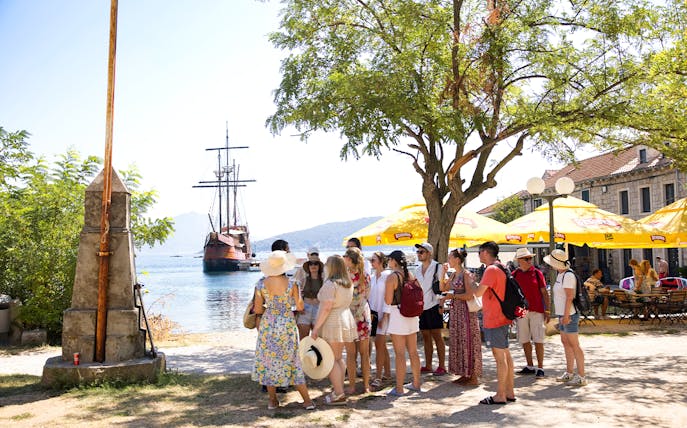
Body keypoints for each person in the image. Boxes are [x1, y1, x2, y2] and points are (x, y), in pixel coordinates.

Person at [252, 250, 315, 410]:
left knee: (269, 360)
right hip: (286, 323)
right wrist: (290, 306)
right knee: (293, 360)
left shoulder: (260, 283)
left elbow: (258, 309)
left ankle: (273, 401)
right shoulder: (293, 283)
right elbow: (300, 306)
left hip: (268, 324)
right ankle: (307, 401)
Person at [311, 255, 358, 405]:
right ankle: (339, 390)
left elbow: (326, 308)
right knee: (337, 357)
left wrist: (316, 328)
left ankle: (338, 393)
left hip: (333, 321)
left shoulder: (331, 284)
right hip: (344, 318)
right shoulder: (347, 283)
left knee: (331, 359)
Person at [473, 241, 515, 405]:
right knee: (505, 355)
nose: (478, 255)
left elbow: (478, 293)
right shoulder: (501, 267)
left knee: (500, 358)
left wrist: (471, 282)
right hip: (503, 316)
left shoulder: (490, 270)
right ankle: (509, 391)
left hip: (495, 318)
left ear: (485, 252)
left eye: (479, 251)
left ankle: (500, 395)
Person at [544, 249, 587, 387]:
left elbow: (570, 296)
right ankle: (569, 372)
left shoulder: (568, 276)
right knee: (566, 342)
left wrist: (567, 316)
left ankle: (581, 375)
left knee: (574, 344)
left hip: (569, 314)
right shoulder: (561, 274)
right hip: (563, 313)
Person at [441, 248, 482, 386]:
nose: (448, 260)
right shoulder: (453, 275)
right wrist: (442, 273)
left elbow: (469, 295)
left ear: (457, 259)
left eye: (450, 257)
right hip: (456, 311)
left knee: (468, 340)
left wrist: (453, 296)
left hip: (466, 312)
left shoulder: (466, 274)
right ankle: (465, 373)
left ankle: (473, 375)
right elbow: (443, 288)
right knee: (459, 340)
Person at [385, 250, 422, 396]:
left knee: (399, 353)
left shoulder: (392, 277)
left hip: (398, 315)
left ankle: (399, 388)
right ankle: (416, 383)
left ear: (394, 261)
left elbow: (388, 301)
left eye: (389, 260)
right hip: (412, 316)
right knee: (413, 351)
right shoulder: (410, 275)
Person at [511, 248, 549, 379]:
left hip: (536, 310)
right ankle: (530, 365)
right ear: (519, 261)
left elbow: (544, 292)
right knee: (524, 338)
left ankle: (540, 367)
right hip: (521, 311)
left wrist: (547, 310)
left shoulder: (537, 273)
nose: (529, 261)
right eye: (526, 259)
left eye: (530, 258)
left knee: (538, 338)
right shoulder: (514, 275)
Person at [413, 242, 446, 376]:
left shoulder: (438, 267)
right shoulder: (416, 270)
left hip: (434, 305)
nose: (419, 254)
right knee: (426, 336)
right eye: (418, 252)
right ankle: (428, 365)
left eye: (422, 252)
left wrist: (441, 304)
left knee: (437, 336)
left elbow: (443, 287)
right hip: (421, 307)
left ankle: (442, 365)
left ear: (429, 253)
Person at [343, 247, 372, 393]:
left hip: (348, 315)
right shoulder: (366, 276)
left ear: (349, 259)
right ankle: (366, 386)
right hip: (362, 315)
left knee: (351, 354)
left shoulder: (343, 277)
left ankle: (352, 386)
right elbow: (367, 295)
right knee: (364, 354)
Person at [368, 251, 391, 388]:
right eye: (371, 260)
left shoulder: (388, 276)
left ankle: (378, 377)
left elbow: (388, 298)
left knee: (379, 345)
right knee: (381, 345)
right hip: (373, 315)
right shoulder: (371, 278)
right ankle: (387, 374)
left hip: (384, 315)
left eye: (374, 259)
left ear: (381, 261)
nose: (371, 262)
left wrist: (386, 316)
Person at [297, 259, 324, 340]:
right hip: (305, 308)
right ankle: (303, 353)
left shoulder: (324, 280)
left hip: (318, 308)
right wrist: (299, 307)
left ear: (319, 266)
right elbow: (297, 294)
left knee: (318, 339)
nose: (313, 266)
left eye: (316, 264)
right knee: (303, 338)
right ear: (308, 267)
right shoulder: (303, 279)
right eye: (311, 264)